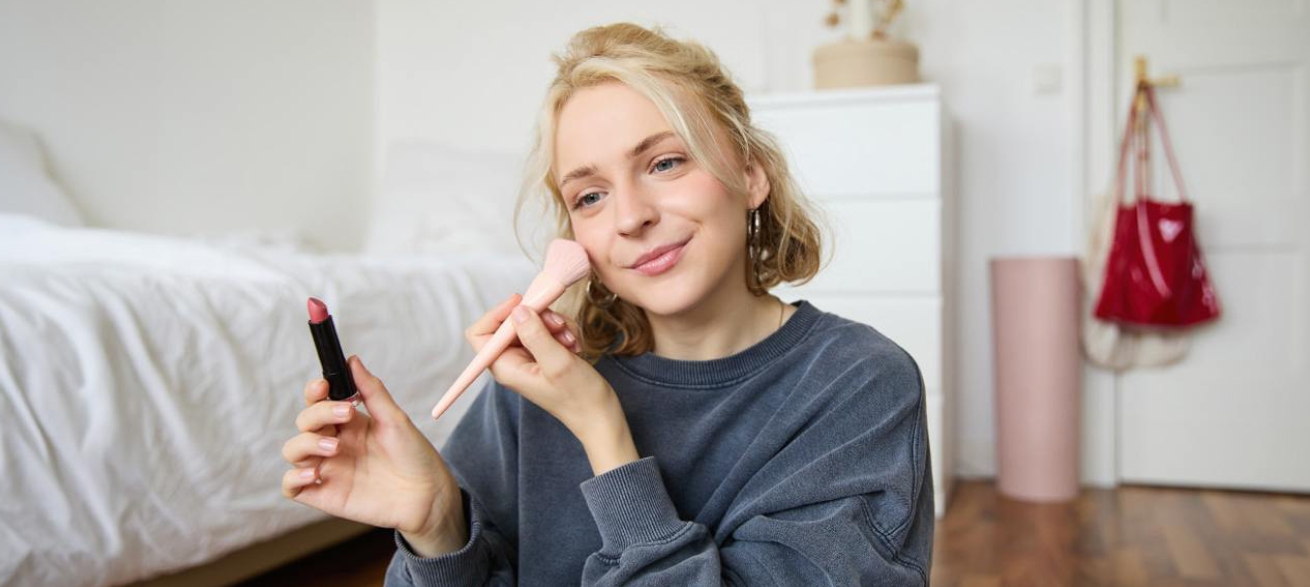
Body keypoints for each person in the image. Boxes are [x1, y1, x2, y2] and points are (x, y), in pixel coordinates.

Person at [280, 22, 934, 586]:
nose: (630, 217)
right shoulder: (530, 390)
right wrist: (436, 523)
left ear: (751, 173)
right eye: (590, 196)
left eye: (665, 163)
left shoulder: (858, 383)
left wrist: (602, 430)